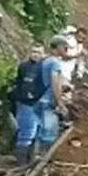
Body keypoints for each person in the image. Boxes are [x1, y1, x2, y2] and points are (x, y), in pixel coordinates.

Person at [12, 36, 66, 166]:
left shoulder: (42, 62)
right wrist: (60, 103)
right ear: (58, 47)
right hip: (44, 103)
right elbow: (55, 83)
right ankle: (34, 167)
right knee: (45, 135)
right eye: (65, 47)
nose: (66, 50)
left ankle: (26, 166)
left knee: (30, 133)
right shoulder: (53, 63)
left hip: (33, 101)